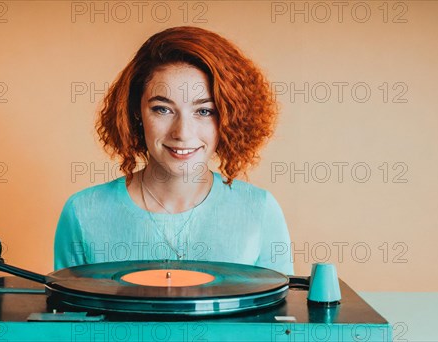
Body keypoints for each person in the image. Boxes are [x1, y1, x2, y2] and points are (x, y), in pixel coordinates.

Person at [54, 26, 293, 275]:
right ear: (136, 111)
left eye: (204, 111)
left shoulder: (260, 209)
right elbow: (69, 311)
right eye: (162, 109)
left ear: (230, 117)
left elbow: (280, 310)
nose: (182, 132)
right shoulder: (83, 212)